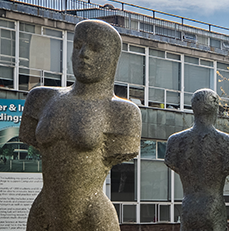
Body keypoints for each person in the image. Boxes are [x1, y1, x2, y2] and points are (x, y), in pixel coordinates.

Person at [21, 20, 141, 231]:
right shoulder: (40, 98)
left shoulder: (123, 112)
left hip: (92, 215)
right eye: (78, 46)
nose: (83, 54)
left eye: (95, 48)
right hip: (44, 211)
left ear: (112, 58)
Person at [166, 89, 229, 231]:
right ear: (216, 109)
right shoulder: (228, 142)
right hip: (214, 207)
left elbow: (172, 162)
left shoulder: (175, 141)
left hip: (188, 207)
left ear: (193, 108)